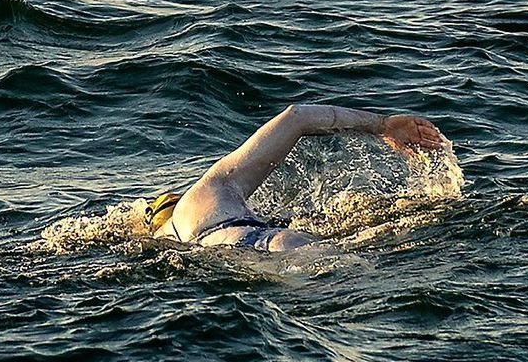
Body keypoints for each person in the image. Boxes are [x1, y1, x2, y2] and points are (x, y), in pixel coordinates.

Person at [145, 104, 447, 251]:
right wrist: (382, 125)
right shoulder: (209, 190)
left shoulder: (172, 241)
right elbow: (297, 116)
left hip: (245, 261)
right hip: (280, 243)